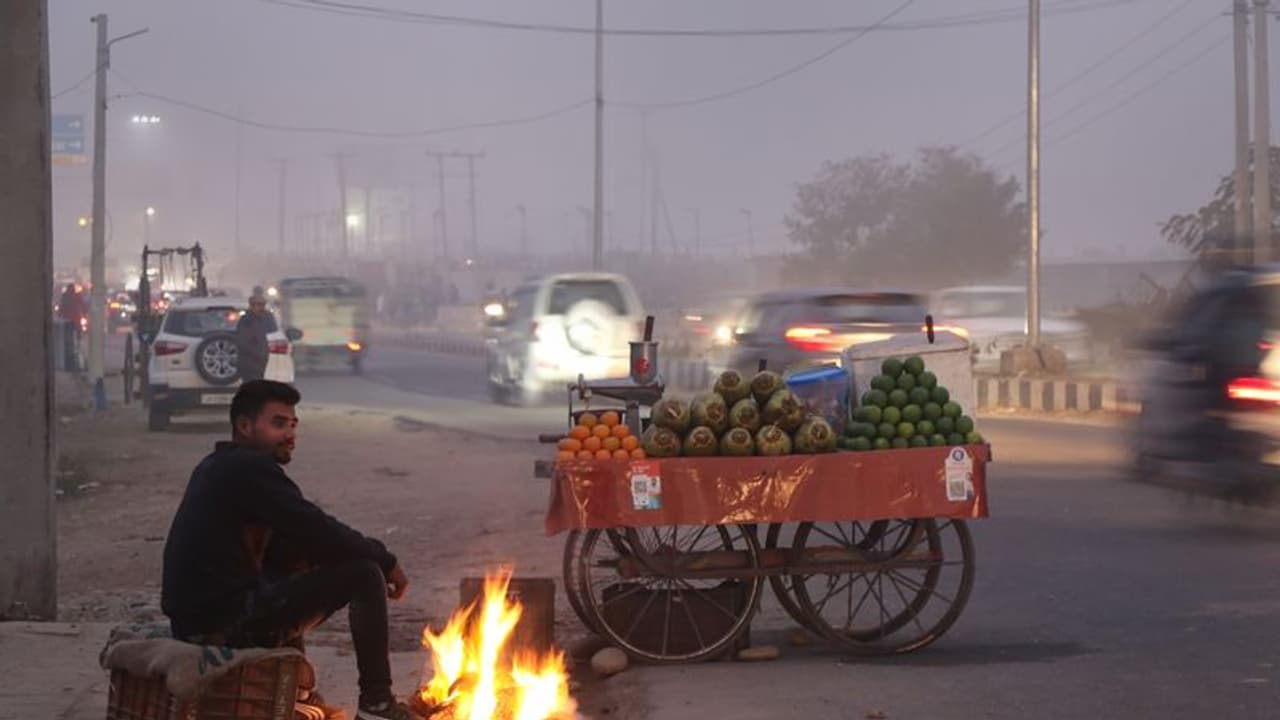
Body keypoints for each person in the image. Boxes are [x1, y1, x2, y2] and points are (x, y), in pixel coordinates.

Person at [161, 381, 422, 720]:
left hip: (202, 618)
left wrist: (323, 555)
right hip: (222, 623)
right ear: (245, 426)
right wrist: (384, 560)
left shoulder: (221, 466)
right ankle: (377, 705)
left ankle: (297, 693)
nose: (290, 434)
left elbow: (304, 539)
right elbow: (313, 526)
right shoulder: (247, 468)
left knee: (298, 555)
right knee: (364, 573)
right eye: (278, 423)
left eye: (293, 424)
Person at [235, 295, 275, 382]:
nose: (259, 307)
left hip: (266, 363)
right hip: (250, 364)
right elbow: (242, 342)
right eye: (255, 304)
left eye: (262, 304)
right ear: (251, 305)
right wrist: (259, 354)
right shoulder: (246, 320)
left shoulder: (268, 318)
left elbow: (274, 335)